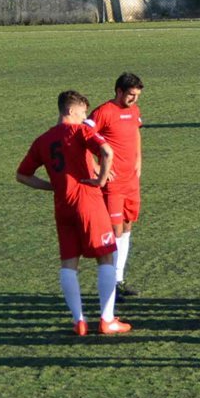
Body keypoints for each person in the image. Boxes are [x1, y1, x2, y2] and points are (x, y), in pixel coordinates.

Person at [16, 90, 131, 336]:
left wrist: (52, 186)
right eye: (82, 113)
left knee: (69, 263)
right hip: (88, 202)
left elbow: (22, 175)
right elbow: (107, 152)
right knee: (106, 257)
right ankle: (107, 319)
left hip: (62, 206)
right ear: (70, 111)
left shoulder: (42, 140)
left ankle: (79, 320)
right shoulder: (80, 131)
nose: (84, 117)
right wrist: (100, 180)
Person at [85, 72, 144, 299]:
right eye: (130, 95)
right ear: (118, 91)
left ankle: (119, 279)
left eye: (137, 95)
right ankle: (110, 281)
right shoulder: (103, 112)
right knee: (115, 230)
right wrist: (96, 167)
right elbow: (82, 139)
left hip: (131, 181)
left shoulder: (134, 111)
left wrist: (139, 159)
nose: (134, 99)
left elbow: (136, 134)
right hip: (113, 184)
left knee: (128, 226)